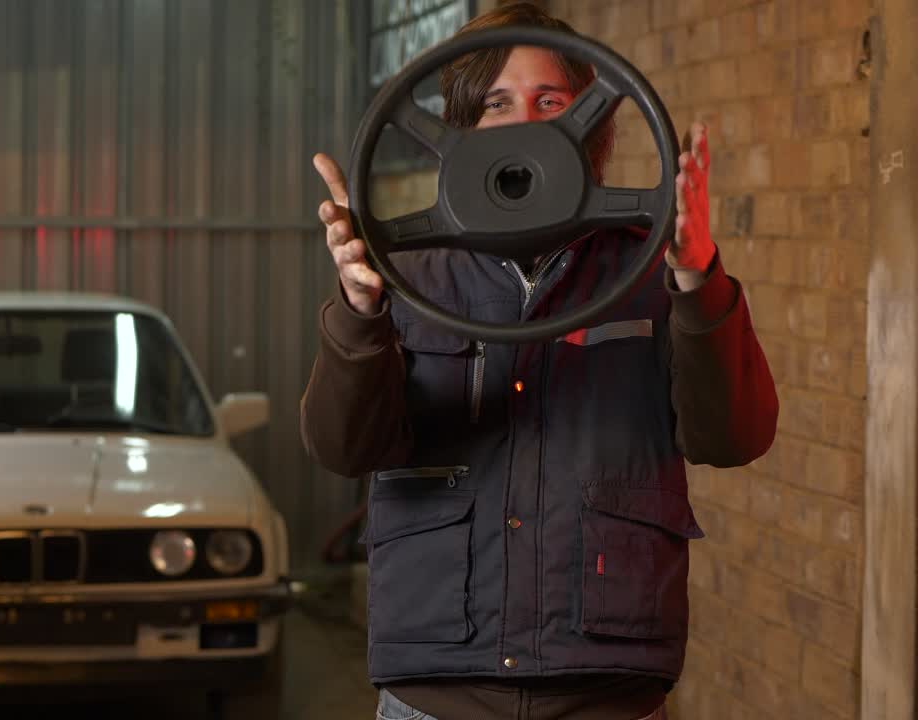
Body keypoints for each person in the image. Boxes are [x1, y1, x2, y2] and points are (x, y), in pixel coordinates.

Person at [300, 4, 778, 719]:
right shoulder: (404, 278)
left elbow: (735, 437)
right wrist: (360, 311)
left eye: (550, 101)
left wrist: (697, 277)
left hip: (606, 693)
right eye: (497, 104)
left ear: (592, 127)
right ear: (462, 132)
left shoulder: (652, 275)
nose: (524, 122)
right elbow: (344, 448)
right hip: (437, 690)